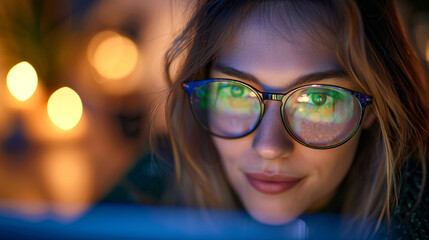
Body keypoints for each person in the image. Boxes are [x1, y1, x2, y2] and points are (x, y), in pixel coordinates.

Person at [159, 0, 429, 238]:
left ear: (373, 108)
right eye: (236, 92)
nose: (269, 148)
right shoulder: (145, 198)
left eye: (318, 100)